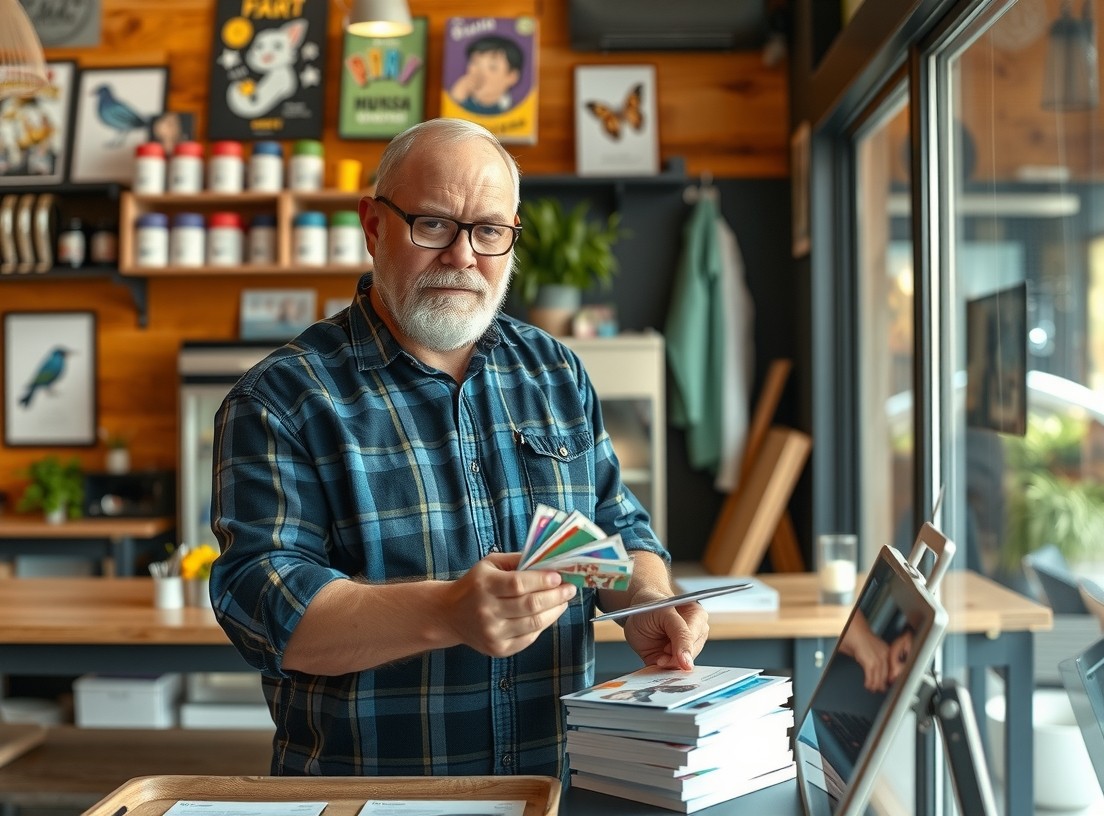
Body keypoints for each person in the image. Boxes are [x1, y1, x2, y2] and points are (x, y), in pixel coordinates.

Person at [209, 117, 709, 782]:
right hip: (373, 801)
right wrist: (446, 612)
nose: (463, 257)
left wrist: (641, 599)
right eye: (434, 225)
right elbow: (269, 610)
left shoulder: (553, 371)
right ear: (374, 226)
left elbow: (608, 528)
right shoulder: (281, 400)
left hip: (550, 790)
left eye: (489, 231)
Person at [448, 35, 524, 115]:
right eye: (474, 63)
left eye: (492, 67)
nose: (479, 72)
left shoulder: (515, 109)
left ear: (512, 77)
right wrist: (455, 101)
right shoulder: (461, 102)